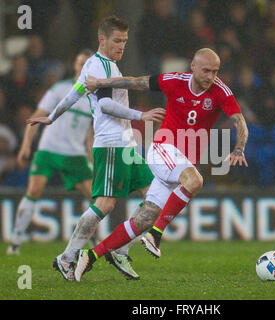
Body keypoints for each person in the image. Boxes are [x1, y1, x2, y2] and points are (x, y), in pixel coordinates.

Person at [73, 47, 249, 281]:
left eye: (215, 71)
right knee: (195, 180)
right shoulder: (173, 81)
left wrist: (239, 148)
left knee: (143, 219)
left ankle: (90, 256)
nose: (210, 76)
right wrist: (101, 82)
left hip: (180, 164)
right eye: (206, 70)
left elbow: (240, 122)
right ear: (193, 67)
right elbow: (135, 82)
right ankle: (157, 235)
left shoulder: (220, 91)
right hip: (163, 149)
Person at [26, 16, 166, 281]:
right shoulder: (99, 66)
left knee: (154, 196)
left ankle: (120, 248)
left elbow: (74, 93)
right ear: (102, 39)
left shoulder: (107, 65)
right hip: (111, 143)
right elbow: (103, 106)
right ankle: (67, 257)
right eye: (117, 41)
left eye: (124, 41)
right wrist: (141, 115)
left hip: (126, 144)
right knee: (105, 204)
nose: (121, 46)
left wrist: (52, 116)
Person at [6, 50, 94, 256]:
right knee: (34, 190)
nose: (83, 68)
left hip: (75, 154)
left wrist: (91, 156)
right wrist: (26, 146)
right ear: (74, 65)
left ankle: (88, 239)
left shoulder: (94, 98)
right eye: (81, 64)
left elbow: (89, 133)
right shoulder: (59, 89)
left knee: (97, 200)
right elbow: (36, 117)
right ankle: (16, 242)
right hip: (49, 149)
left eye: (88, 65)